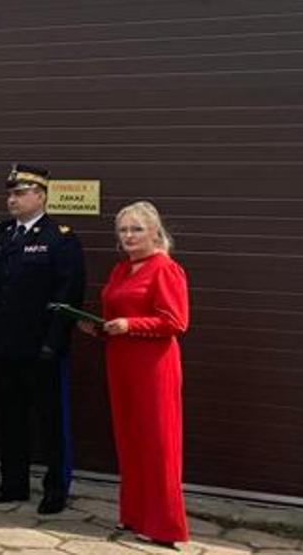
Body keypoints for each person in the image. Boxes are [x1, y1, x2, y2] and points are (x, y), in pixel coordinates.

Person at [0, 164, 86, 514]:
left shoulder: (60, 238)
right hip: (5, 346)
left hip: (41, 349)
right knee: (10, 419)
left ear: (41, 196)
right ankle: (13, 482)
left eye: (20, 193)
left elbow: (69, 295)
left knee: (51, 421)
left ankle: (56, 489)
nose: (13, 200)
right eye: (10, 194)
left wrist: (54, 342)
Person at [80, 201, 189, 548]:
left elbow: (176, 321)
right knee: (129, 440)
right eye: (123, 230)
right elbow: (116, 314)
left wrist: (130, 324)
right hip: (121, 361)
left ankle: (164, 526)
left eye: (136, 229)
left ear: (155, 232)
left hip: (153, 366)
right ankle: (136, 514)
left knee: (158, 444)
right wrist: (98, 328)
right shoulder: (121, 270)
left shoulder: (165, 269)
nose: (128, 236)